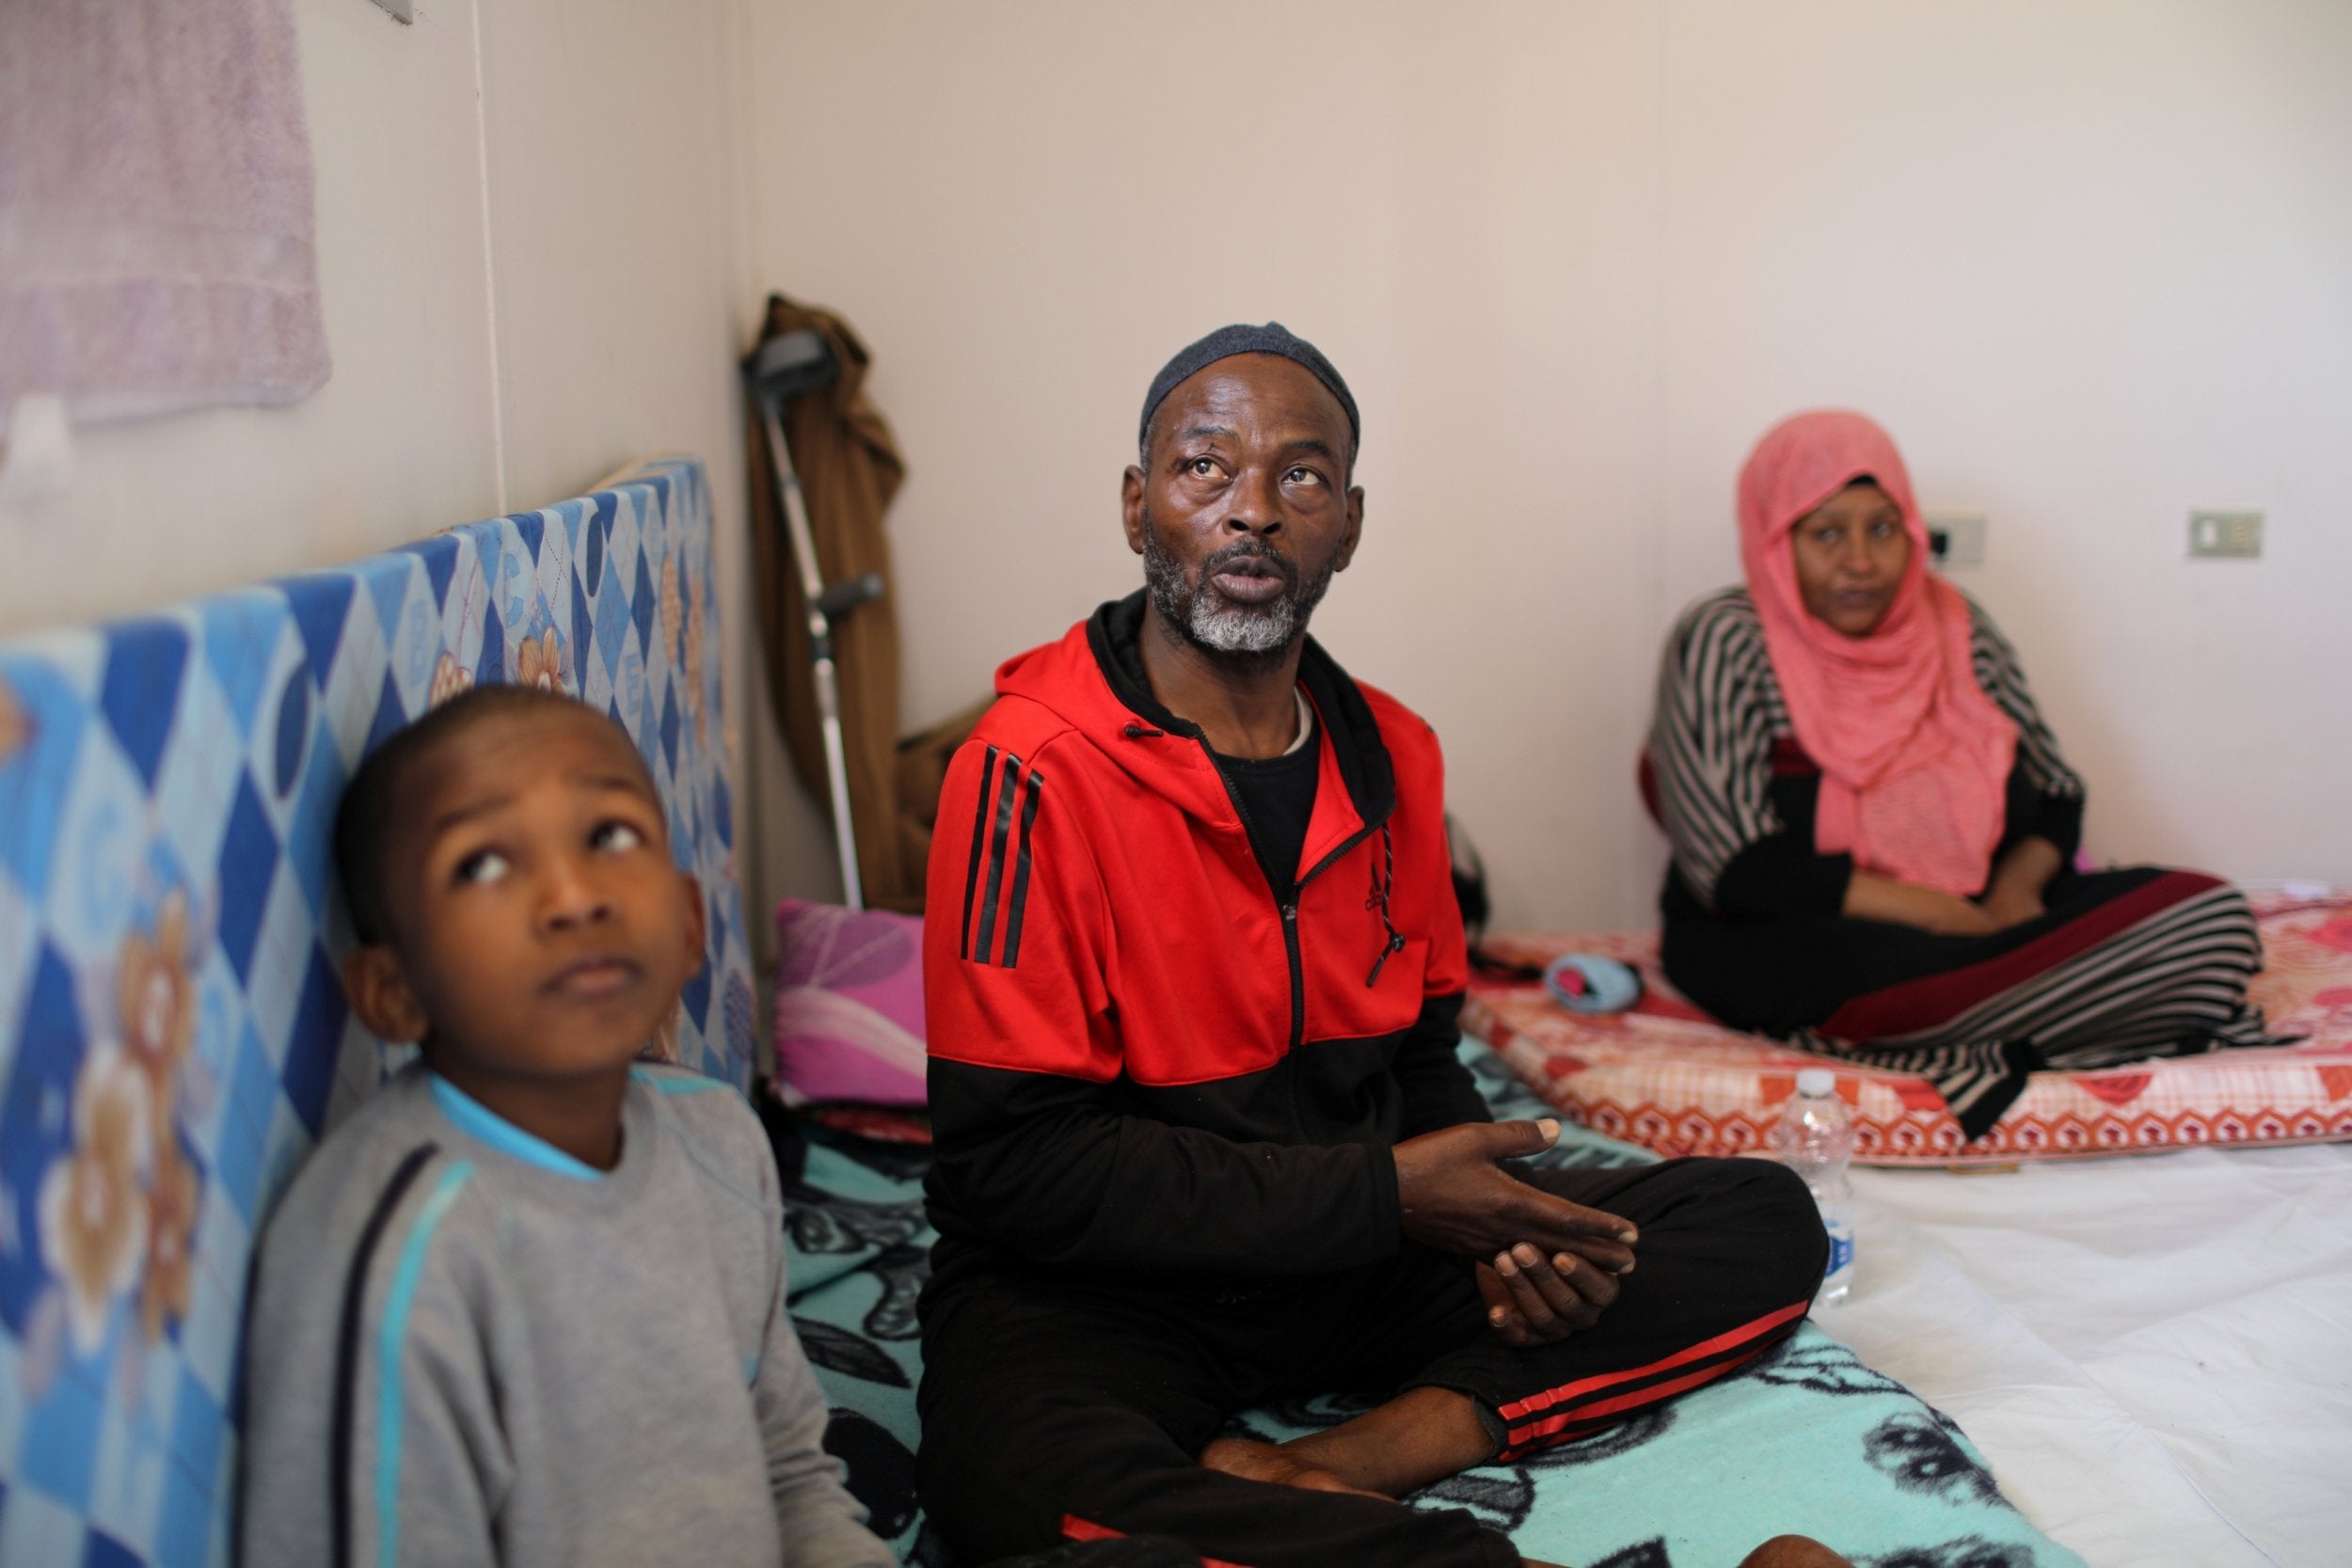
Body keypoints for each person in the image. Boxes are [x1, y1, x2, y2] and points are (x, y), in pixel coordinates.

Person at [914, 324, 1841, 1568]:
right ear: (1139, 504)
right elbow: (1014, 1168)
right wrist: (1388, 1192)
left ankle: (1364, 1456)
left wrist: (1501, 1228)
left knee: (1756, 1213)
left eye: (1300, 475)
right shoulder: (1025, 772)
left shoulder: (1394, 751)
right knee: (1024, 1494)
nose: (1251, 507)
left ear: (1348, 524)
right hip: (1104, 1295)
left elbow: (1415, 1061)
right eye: (1204, 467)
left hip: (1359, 1259)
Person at [239, 687, 898, 1568]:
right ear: (392, 992)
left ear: (689, 921)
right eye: (480, 864)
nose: (573, 896)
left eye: (610, 836)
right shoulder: (403, 1260)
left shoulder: (720, 1139)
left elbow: (788, 1466)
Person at [1648, 409, 2275, 1139]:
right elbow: (1735, 867)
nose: (1860, 561)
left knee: (2215, 916)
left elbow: (2057, 796)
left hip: (1990, 920)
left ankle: (1974, 1008)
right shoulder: (1726, 634)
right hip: (1818, 939)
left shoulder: (1955, 622)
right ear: (1773, 541)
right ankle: (2052, 998)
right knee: (1850, 966)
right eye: (1825, 533)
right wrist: (1943, 913)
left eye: (1882, 529)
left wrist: (2010, 898)